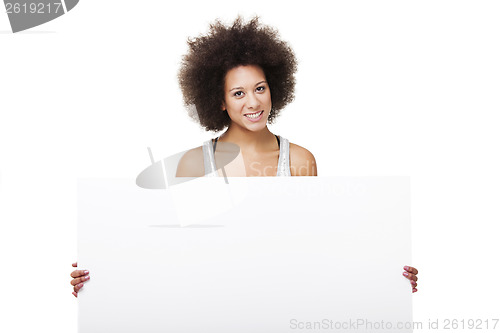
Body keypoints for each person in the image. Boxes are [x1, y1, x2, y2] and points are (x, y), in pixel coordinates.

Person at [71, 17, 418, 296]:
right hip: (213, 304)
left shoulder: (300, 161)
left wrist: (389, 277)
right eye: (238, 93)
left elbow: (322, 243)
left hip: (286, 300)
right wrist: (99, 272)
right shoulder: (195, 162)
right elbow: (163, 245)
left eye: (260, 88)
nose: (252, 103)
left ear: (273, 89)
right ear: (219, 101)